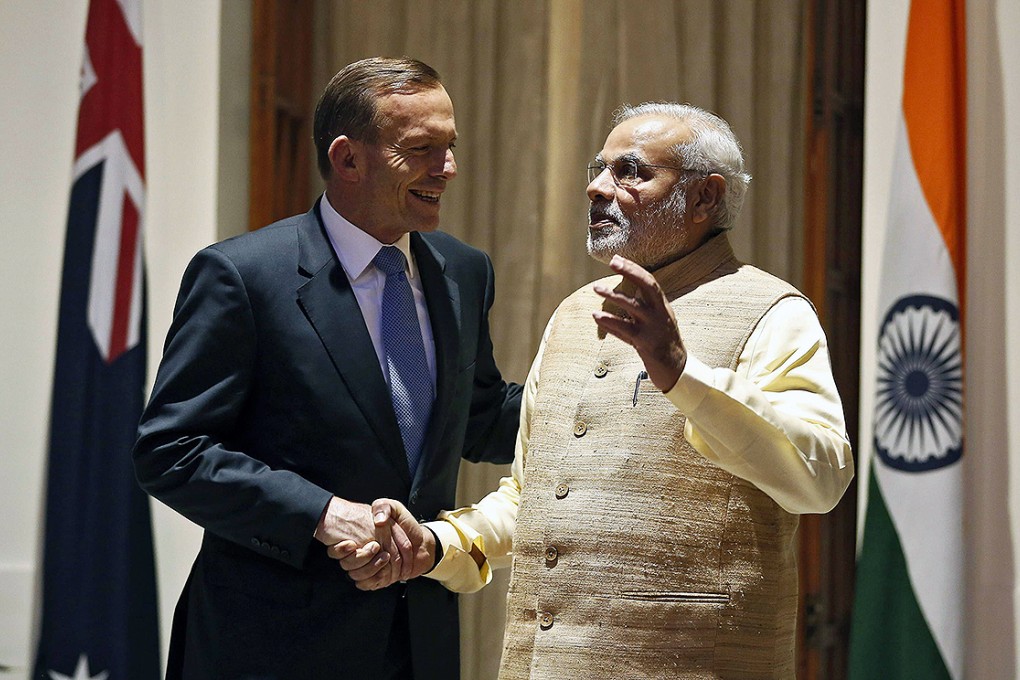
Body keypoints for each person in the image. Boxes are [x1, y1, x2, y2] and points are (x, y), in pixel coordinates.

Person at [339, 102, 854, 678]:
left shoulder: (772, 311)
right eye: (598, 169)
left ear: (706, 197)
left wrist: (682, 372)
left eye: (630, 171)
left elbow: (822, 477)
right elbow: (535, 497)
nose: (597, 188)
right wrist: (438, 545)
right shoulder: (574, 313)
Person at [132, 57, 521, 680]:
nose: (447, 170)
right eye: (423, 150)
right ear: (348, 159)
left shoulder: (464, 271)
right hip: (271, 646)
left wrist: (600, 394)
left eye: (450, 148)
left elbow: (476, 418)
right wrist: (320, 513)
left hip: (417, 642)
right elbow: (171, 450)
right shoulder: (243, 276)